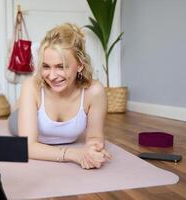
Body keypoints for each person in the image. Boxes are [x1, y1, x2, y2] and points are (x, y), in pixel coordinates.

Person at [8, 23, 112, 169]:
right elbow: (28, 146)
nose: (51, 76)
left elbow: (95, 137)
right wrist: (74, 154)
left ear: (80, 65)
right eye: (46, 66)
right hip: (18, 119)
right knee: (15, 120)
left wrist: (93, 150)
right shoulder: (31, 86)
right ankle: (21, 104)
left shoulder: (94, 91)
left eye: (61, 66)